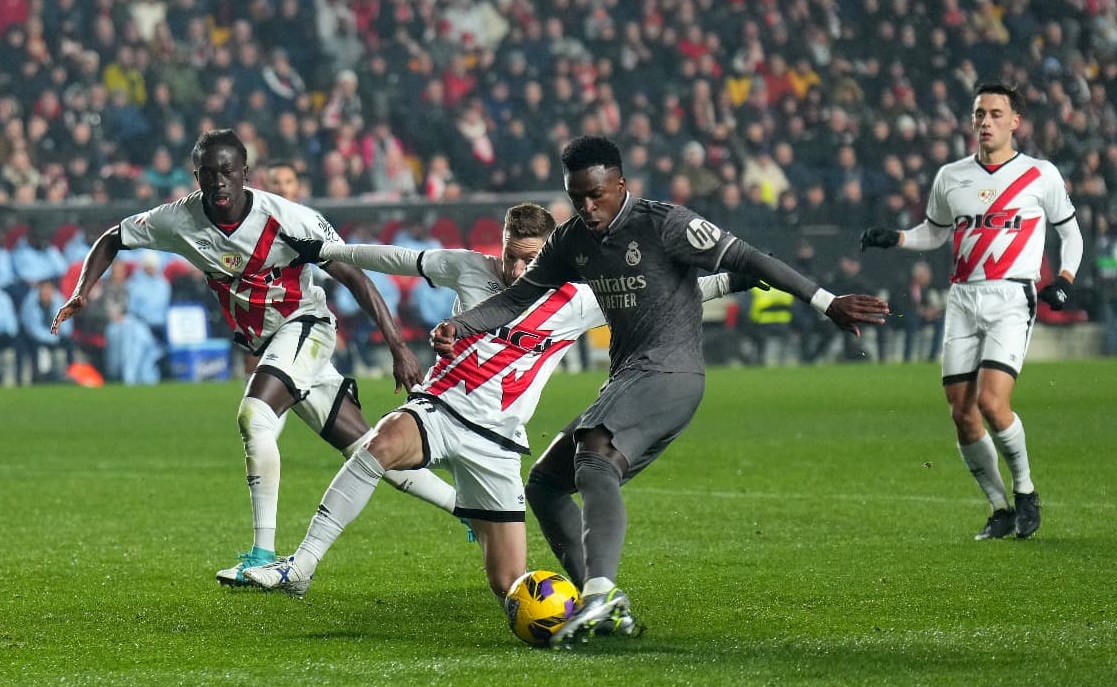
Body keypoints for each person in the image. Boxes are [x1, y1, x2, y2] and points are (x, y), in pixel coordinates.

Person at [430, 136, 889, 647]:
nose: (588, 207)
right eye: (577, 196)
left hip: (671, 373)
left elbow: (748, 257)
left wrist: (826, 302)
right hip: (630, 376)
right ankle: (599, 607)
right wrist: (464, 325)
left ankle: (600, 593)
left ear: (621, 184)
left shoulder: (664, 223)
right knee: (547, 482)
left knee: (595, 455)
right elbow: (515, 299)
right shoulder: (571, 241)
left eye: (597, 194)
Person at [240, 203, 755, 624]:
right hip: (439, 407)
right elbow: (396, 257)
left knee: (510, 586)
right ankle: (301, 567)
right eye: (509, 255)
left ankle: (579, 617)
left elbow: (660, 297)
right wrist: (327, 250)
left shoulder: (579, 298)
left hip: (499, 444)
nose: (515, 269)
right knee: (381, 444)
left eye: (528, 259)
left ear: (550, 252)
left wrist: (736, 279)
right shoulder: (470, 267)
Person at [49, 129, 458, 586]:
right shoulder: (179, 219)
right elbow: (113, 237)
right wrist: (83, 291)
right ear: (197, 177)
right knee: (371, 451)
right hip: (271, 345)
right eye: (209, 174)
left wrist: (399, 347)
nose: (219, 182)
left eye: (228, 172)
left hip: (305, 326)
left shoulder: (289, 220)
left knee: (254, 415)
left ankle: (263, 554)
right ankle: (471, 511)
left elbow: (357, 278)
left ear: (245, 173)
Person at [860, 83, 1082, 541]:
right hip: (962, 299)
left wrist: (1064, 279)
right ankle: (999, 509)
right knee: (961, 413)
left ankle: (1026, 492)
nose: (985, 122)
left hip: (1011, 296)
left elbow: (1071, 234)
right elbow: (935, 232)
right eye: (980, 113)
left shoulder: (1040, 175)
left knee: (991, 402)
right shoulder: (951, 176)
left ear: (1015, 122)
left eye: (996, 114)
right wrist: (898, 238)